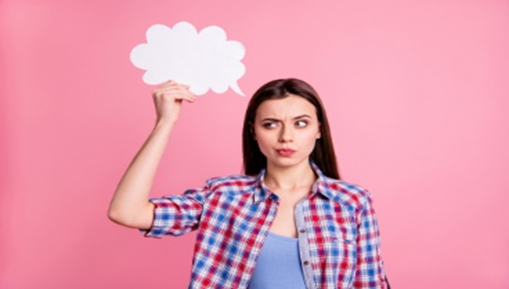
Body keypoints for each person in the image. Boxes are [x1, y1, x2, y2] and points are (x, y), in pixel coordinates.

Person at [108, 78, 390, 288]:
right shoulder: (224, 197)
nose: (286, 137)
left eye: (300, 123)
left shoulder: (352, 201)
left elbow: (370, 284)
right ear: (254, 132)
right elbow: (126, 212)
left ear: (318, 130)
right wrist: (165, 122)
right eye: (270, 124)